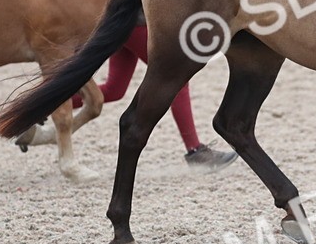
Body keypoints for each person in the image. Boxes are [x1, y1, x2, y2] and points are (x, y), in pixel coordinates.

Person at [70, 25, 237, 171]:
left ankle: (53, 107)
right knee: (176, 75)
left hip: (124, 21)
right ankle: (195, 152)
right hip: (135, 21)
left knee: (115, 88)